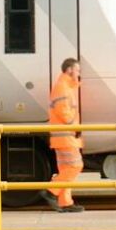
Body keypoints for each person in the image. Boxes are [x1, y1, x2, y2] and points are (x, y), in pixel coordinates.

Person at [46, 57, 85, 212]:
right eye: (77, 70)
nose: (79, 73)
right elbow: (63, 112)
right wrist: (74, 126)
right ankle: (51, 191)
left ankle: (65, 202)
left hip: (62, 136)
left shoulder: (65, 86)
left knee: (66, 169)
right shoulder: (63, 87)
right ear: (69, 70)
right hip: (65, 136)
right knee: (76, 166)